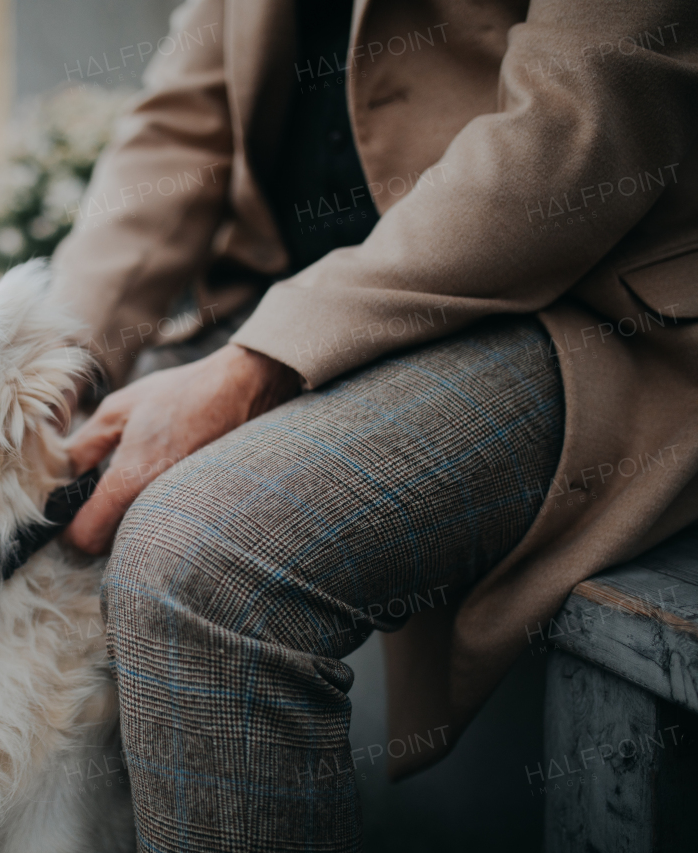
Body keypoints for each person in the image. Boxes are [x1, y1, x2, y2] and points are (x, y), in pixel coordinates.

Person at [51, 0, 698, 849]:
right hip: (299, 294)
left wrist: (255, 364)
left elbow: (578, 137)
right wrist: (51, 369)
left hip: (581, 310)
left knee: (200, 558)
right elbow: (180, 126)